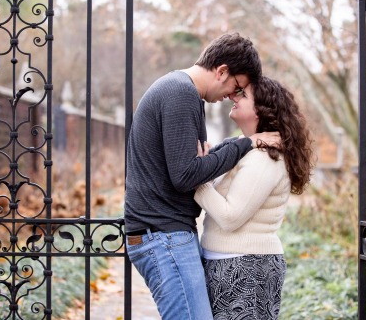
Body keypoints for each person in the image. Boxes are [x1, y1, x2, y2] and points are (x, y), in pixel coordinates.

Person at [124, 33, 281, 320]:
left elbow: (198, 165)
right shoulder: (180, 92)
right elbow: (186, 175)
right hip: (162, 236)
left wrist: (225, 150)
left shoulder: (186, 94)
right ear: (222, 71)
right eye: (237, 86)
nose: (233, 96)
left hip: (165, 235)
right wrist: (245, 143)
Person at [195, 76, 314, 320]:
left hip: (247, 268)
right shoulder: (248, 149)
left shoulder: (265, 158)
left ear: (261, 110)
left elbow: (230, 217)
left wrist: (197, 179)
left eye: (243, 95)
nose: (233, 97)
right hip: (229, 264)